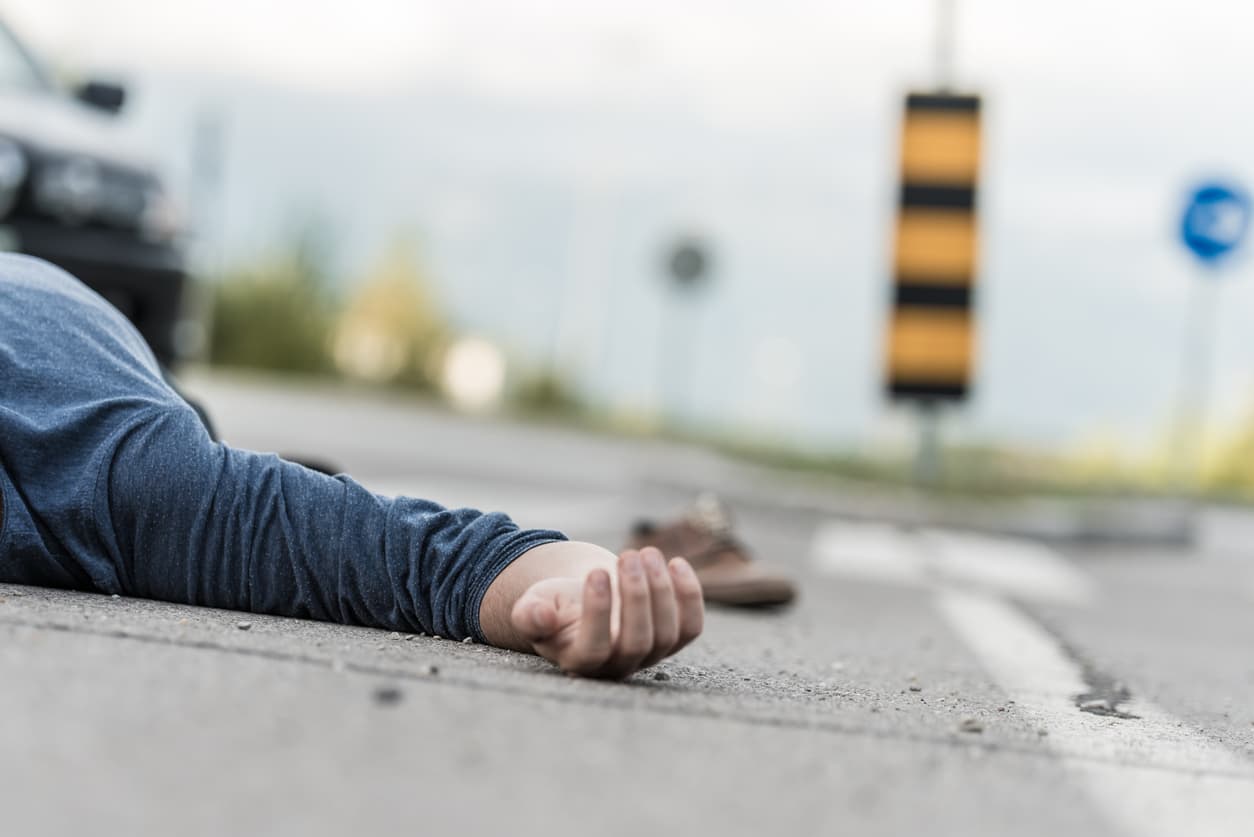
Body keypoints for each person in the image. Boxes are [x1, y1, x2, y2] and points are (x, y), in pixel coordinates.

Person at [0, 254, 702, 679]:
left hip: (68, 341)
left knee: (214, 511)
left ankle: (265, 479)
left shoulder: (118, 476)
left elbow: (431, 559)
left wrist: (585, 590)